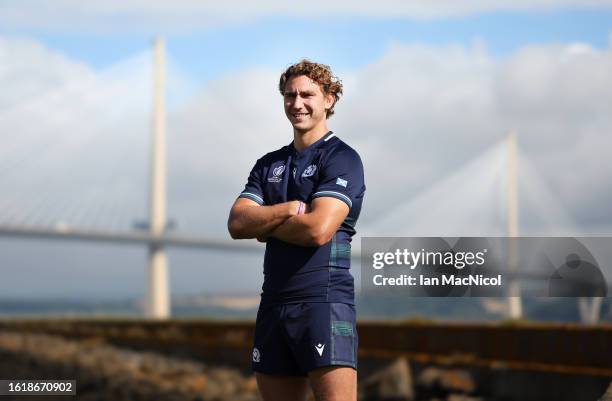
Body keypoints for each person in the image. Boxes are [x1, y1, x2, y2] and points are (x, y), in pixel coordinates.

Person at [228, 60, 365, 401]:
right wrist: (287, 210)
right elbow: (237, 223)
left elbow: (318, 230)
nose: (297, 103)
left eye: (307, 94)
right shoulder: (269, 164)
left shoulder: (342, 159)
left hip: (324, 303)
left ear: (329, 99)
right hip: (273, 304)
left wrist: (266, 225)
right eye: (289, 95)